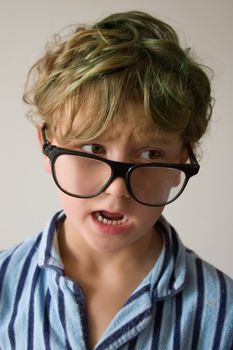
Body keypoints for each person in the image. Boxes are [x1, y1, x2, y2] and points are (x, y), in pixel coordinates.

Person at [0, 10, 232, 350]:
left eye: (150, 154)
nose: (117, 189)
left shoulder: (223, 314)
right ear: (47, 147)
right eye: (93, 148)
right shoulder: (5, 285)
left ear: (180, 161)